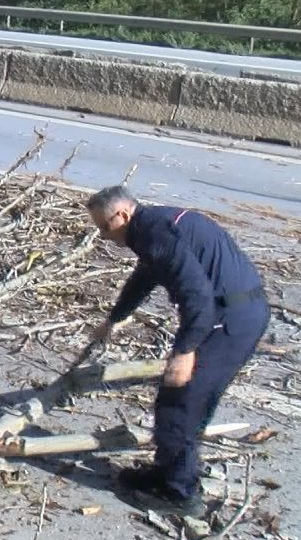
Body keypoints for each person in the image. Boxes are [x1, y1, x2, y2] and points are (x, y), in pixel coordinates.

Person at [86, 185, 269, 517]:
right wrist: (114, 319)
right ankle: (167, 472)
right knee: (182, 399)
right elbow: (144, 277)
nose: (104, 236)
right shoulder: (152, 226)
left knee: (181, 401)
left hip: (230, 319)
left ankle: (180, 493)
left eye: (104, 227)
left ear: (122, 215)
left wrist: (185, 352)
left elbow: (197, 297)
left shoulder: (154, 233)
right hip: (236, 312)